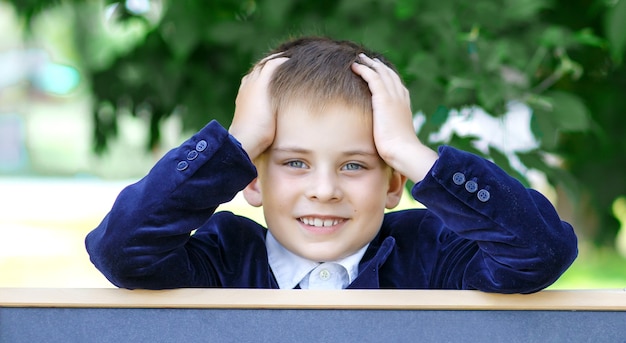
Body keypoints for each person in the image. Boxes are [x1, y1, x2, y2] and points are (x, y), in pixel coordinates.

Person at [85, 36, 577, 291]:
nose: (324, 190)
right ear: (252, 177)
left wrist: (415, 154)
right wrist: (234, 145)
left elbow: (541, 251)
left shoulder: (432, 254)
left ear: (393, 184)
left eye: (355, 166)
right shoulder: (223, 258)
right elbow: (122, 251)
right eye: (295, 163)